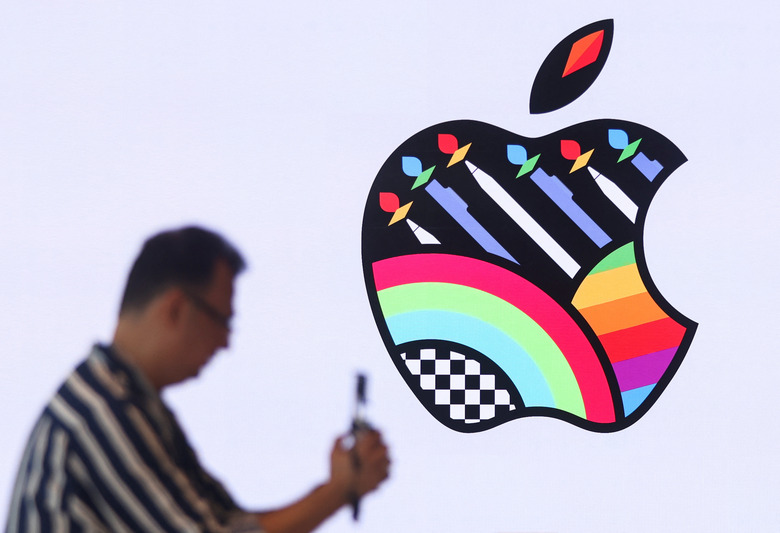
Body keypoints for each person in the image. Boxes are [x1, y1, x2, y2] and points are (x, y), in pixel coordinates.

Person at [5, 226, 390, 533]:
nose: (225, 342)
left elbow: (229, 521)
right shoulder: (102, 412)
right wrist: (339, 490)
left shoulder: (127, 401)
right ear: (176, 308)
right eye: (222, 321)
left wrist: (339, 490)